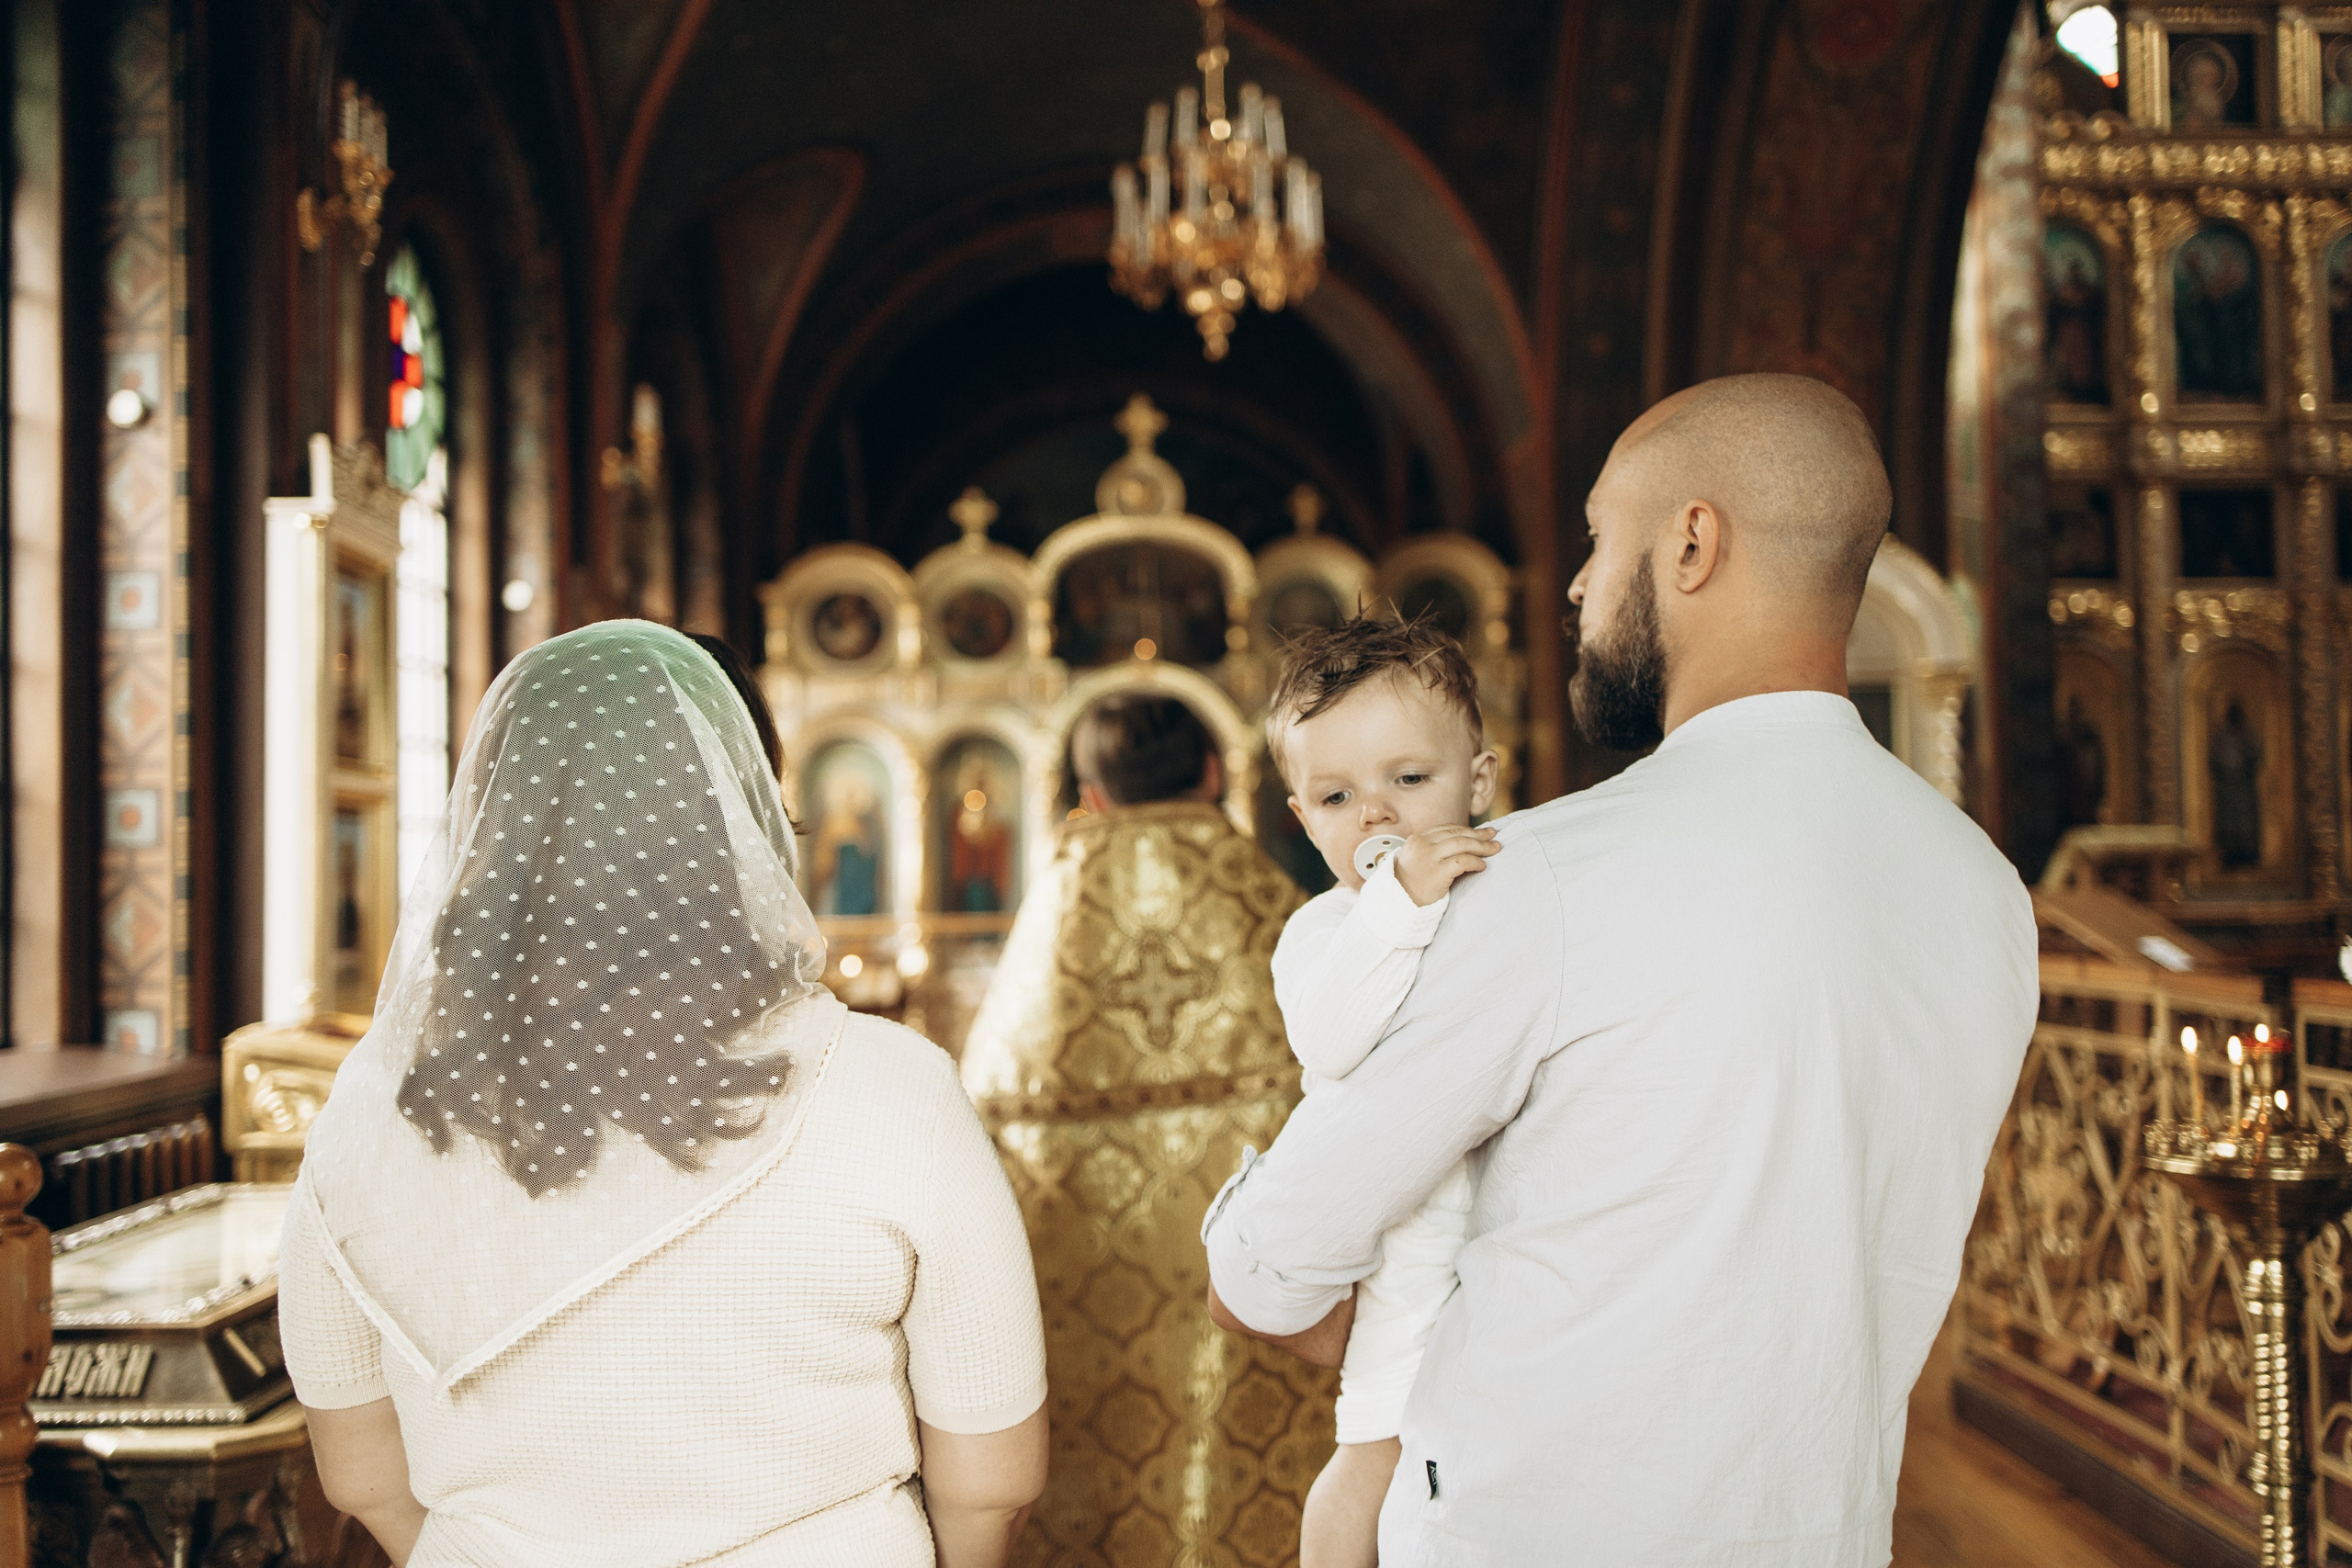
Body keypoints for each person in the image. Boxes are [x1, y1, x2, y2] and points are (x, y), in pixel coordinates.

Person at [1202, 374, 2039, 1565]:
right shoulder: (1984, 892)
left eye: (1601, 538)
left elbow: (1268, 1268)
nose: (1583, 585)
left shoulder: (1534, 876)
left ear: (1693, 541)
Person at [279, 621, 1048, 1567]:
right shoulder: (890, 1091)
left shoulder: (370, 1117)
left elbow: (359, 1475)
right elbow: (991, 1483)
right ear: (745, 833)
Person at [960, 692, 1322, 1563]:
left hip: (1090, 1348)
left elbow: (981, 1135)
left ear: (1093, 790)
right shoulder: (1285, 919)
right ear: (1212, 772)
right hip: (1272, 1330)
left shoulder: (1052, 924)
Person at [1260, 616, 1500, 1568]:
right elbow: (1329, 1034)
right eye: (1336, 794)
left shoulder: (1503, 887)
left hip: (1512, 1226)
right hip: (1411, 1234)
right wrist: (1398, 904)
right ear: (1301, 817)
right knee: (1380, 1444)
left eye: (1409, 780)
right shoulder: (1326, 927)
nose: (1376, 815)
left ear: (1477, 783)